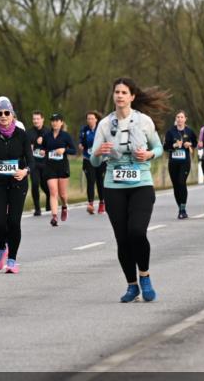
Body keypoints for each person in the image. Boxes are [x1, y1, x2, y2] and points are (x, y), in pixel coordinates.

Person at [89, 78, 169, 303]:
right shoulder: (105, 125)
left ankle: (145, 276)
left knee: (137, 232)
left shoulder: (144, 121)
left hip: (141, 183)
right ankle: (132, 285)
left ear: (132, 96)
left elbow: (159, 148)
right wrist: (98, 153)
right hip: (113, 186)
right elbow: (94, 162)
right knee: (122, 239)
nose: (120, 96)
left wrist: (149, 155)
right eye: (117, 92)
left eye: (124, 92)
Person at [0, 98, 32, 274]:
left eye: (6, 113)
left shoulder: (22, 135)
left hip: (18, 182)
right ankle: (1, 247)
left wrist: (26, 171)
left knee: (13, 221)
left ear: (12, 114)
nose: (3, 116)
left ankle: (12, 259)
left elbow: (31, 159)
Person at [43, 113, 77, 226]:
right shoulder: (47, 136)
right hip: (50, 167)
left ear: (61, 122)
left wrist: (64, 150)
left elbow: (74, 150)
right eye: (52, 120)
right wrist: (43, 151)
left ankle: (64, 206)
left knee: (62, 194)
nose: (54, 122)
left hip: (62, 167)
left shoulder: (66, 136)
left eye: (57, 120)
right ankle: (54, 217)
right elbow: (43, 148)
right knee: (53, 192)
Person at [163, 110, 197, 219]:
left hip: (184, 162)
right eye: (178, 117)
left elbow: (195, 143)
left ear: (185, 119)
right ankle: (180, 208)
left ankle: (183, 208)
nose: (180, 119)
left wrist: (190, 144)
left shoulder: (189, 131)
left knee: (181, 182)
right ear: (175, 119)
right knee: (176, 186)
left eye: (182, 117)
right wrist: (174, 145)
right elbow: (165, 147)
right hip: (173, 163)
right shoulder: (170, 132)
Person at [79, 112, 106, 215]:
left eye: (92, 118)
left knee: (100, 181)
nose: (90, 120)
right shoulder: (84, 130)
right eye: (88, 118)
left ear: (96, 120)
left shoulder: (101, 129)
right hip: (88, 159)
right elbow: (81, 141)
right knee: (90, 181)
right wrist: (81, 145)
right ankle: (90, 204)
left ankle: (102, 203)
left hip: (100, 159)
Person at [26, 111, 51, 216]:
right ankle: (37, 208)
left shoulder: (48, 132)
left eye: (37, 119)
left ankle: (49, 200)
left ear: (42, 119)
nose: (35, 121)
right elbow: (26, 147)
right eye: (34, 119)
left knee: (45, 185)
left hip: (46, 163)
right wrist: (30, 148)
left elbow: (53, 146)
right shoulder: (29, 132)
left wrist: (45, 150)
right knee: (35, 184)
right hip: (34, 163)